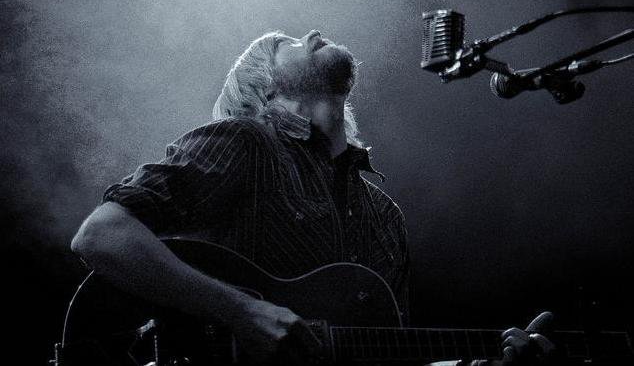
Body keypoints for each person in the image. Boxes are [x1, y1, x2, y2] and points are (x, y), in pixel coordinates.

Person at [71, 29, 553, 365]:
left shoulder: (384, 215)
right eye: (289, 44)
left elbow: (392, 354)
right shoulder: (247, 143)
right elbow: (102, 235)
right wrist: (241, 311)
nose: (315, 34)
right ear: (266, 92)